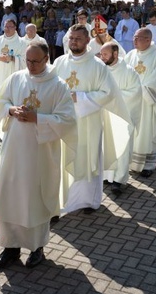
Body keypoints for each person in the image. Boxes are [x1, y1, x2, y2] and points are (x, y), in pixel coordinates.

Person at [0, 43, 75, 269]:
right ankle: (10, 248)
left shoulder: (58, 86)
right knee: (10, 197)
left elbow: (68, 120)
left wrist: (38, 118)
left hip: (40, 154)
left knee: (35, 199)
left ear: (46, 59)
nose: (31, 66)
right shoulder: (16, 78)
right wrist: (11, 110)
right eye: (28, 61)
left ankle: (37, 248)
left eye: (36, 61)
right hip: (14, 151)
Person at [53, 25, 130, 213]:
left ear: (88, 41)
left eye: (78, 38)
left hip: (88, 123)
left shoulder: (97, 66)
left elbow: (108, 93)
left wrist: (78, 97)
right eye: (71, 38)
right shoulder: (59, 62)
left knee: (87, 159)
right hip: (64, 123)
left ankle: (89, 201)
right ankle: (63, 201)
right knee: (63, 160)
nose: (74, 42)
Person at [124, 28, 156, 177]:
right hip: (132, 102)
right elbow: (122, 74)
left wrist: (139, 90)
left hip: (150, 102)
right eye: (134, 37)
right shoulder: (130, 55)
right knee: (134, 132)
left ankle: (148, 165)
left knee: (149, 130)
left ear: (148, 40)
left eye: (138, 38)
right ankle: (131, 161)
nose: (135, 40)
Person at [100, 43, 142, 195]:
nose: (102, 57)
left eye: (105, 54)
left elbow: (135, 93)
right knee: (106, 146)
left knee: (122, 148)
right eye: (101, 54)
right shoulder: (100, 70)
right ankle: (107, 175)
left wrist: (112, 97)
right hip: (105, 116)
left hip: (123, 116)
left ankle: (119, 179)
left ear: (115, 54)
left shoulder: (129, 72)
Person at [0, 18, 27, 90]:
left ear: (15, 28)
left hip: (13, 74)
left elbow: (25, 60)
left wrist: (13, 58)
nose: (7, 29)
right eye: (6, 26)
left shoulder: (22, 43)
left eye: (10, 27)